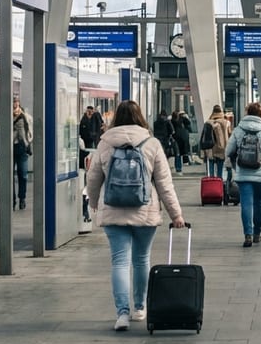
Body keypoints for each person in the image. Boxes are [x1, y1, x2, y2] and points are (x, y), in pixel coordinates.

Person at [84, 100, 185, 331]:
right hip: (145, 211)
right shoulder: (152, 143)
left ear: (116, 118)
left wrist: (92, 202)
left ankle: (122, 314)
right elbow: (164, 184)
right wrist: (175, 214)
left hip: (113, 210)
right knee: (141, 260)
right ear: (140, 117)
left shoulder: (105, 143)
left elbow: (93, 178)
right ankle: (140, 308)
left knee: (119, 262)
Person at [225, 102, 261, 247]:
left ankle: (247, 234)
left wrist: (232, 164)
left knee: (246, 204)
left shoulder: (238, 129)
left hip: (243, 173)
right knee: (258, 204)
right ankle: (257, 234)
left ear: (247, 113)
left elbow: (228, 150)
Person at [11, 99, 32, 210]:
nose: (15, 103)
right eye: (13, 101)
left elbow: (29, 132)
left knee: (23, 175)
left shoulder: (25, 116)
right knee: (9, 176)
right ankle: (12, 199)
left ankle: (22, 198)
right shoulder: (6, 115)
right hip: (10, 148)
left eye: (17, 101)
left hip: (22, 148)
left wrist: (27, 143)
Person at [203, 105, 232, 179]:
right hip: (223, 147)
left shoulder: (208, 123)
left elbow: (205, 137)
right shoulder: (227, 122)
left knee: (211, 168)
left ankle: (212, 184)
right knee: (220, 168)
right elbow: (230, 134)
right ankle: (220, 184)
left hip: (211, 148)